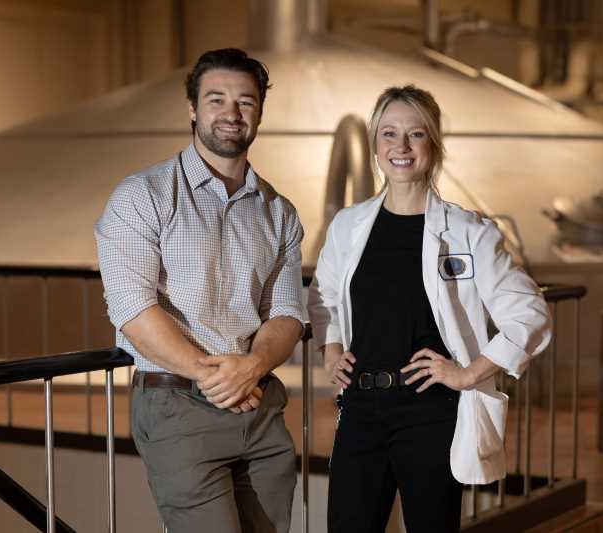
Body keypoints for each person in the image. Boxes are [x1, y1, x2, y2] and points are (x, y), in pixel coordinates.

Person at [307, 85, 552, 533]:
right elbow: (324, 297)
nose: (401, 147)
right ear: (375, 145)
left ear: (434, 145)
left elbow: (530, 314)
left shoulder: (468, 233)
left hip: (430, 413)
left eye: (415, 134)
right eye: (389, 134)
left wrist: (467, 373)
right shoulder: (349, 226)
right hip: (361, 407)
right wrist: (330, 349)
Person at [94, 48, 304, 533]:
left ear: (259, 113)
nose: (231, 114)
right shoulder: (142, 195)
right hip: (178, 408)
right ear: (192, 109)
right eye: (216, 99)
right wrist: (213, 377)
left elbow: (289, 312)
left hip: (259, 407)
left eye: (246, 102)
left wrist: (250, 367)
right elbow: (131, 305)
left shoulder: (279, 211)